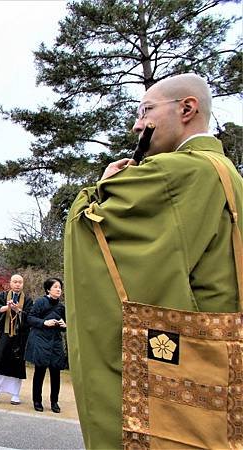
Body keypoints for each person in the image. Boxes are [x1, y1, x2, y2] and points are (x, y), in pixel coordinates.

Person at [64, 73, 243, 449]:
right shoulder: (230, 175)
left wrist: (99, 186)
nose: (136, 124)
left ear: (187, 108)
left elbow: (93, 223)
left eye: (145, 111)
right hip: (225, 352)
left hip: (187, 354)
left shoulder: (178, 172)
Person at [0, 274, 32, 405]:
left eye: (20, 282)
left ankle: (15, 394)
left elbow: (29, 316)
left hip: (19, 337)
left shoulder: (27, 299)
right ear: (10, 283)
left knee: (17, 365)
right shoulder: (3, 296)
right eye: (15, 282)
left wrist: (18, 310)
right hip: (5, 335)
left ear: (23, 284)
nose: (17, 284)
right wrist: (8, 307)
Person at [24, 278, 66, 413]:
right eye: (55, 287)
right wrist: (44, 323)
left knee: (56, 372)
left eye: (60, 287)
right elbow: (30, 318)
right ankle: (37, 400)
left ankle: (54, 402)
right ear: (48, 289)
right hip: (41, 340)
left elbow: (64, 325)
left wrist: (65, 326)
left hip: (55, 342)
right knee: (40, 371)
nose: (58, 289)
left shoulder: (61, 307)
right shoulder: (41, 302)